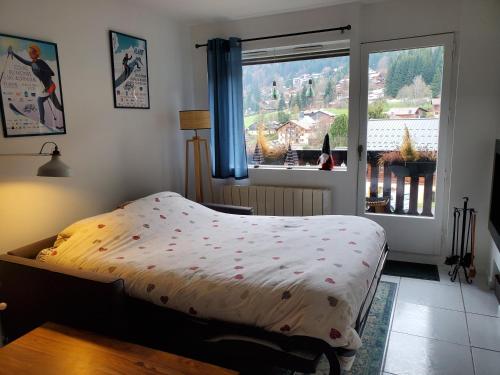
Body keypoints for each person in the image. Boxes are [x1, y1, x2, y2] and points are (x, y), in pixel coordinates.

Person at [8, 44, 63, 127]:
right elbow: (24, 61)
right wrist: (13, 54)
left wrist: (47, 86)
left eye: (32, 52)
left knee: (50, 104)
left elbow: (49, 73)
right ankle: (42, 121)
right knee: (53, 104)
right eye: (29, 52)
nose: (30, 54)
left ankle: (42, 121)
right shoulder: (33, 63)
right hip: (47, 88)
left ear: (36, 53)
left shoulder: (39, 62)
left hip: (49, 87)